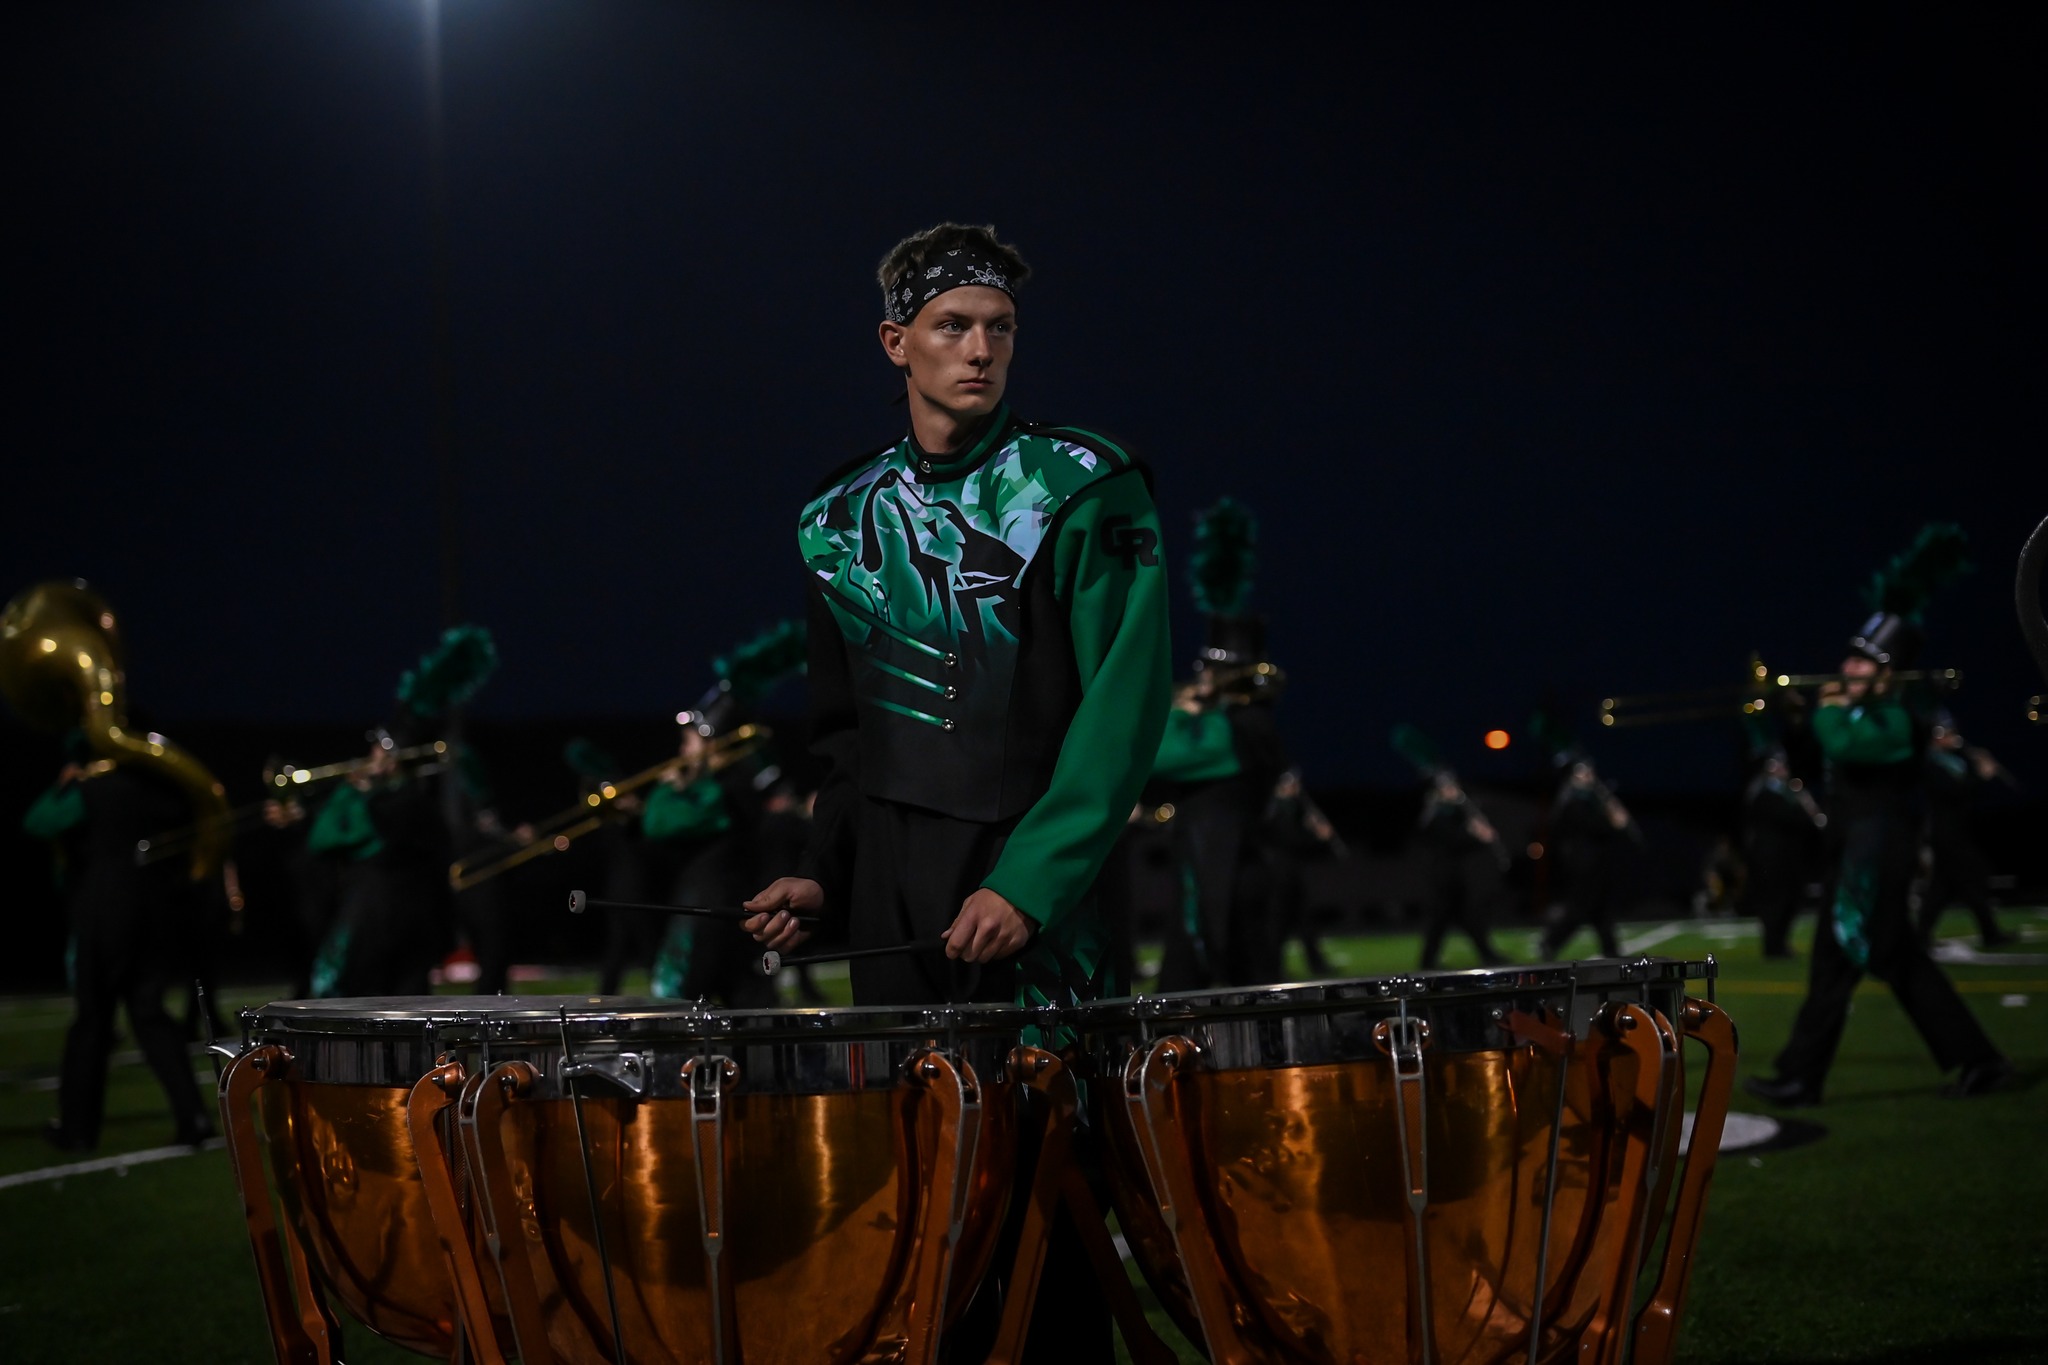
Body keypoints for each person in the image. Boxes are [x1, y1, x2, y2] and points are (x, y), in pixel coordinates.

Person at [744, 223, 1171, 1361]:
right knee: (911, 1175)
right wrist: (816, 870)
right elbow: (847, 738)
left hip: (1029, 885)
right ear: (897, 344)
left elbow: (1122, 712)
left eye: (998, 328)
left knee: (1047, 1182)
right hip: (887, 890)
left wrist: (1032, 881)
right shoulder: (833, 519)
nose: (978, 349)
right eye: (951, 327)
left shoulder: (1085, 483)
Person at [1746, 601, 2011, 1106]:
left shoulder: (1899, 719)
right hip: (1854, 854)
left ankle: (1980, 1060)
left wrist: (1826, 711)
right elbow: (1820, 754)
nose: (1848, 668)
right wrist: (1801, 717)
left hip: (1877, 856)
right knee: (1845, 961)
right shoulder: (1859, 710)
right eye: (1850, 658)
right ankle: (1802, 1074)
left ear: (1889, 673)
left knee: (1882, 959)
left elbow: (1848, 747)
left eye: (1863, 661)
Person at [26, 735, 215, 1151]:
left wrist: (66, 784)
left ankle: (77, 1130)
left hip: (103, 913)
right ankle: (195, 1117)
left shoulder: (91, 789)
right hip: (155, 912)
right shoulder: (157, 790)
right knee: (150, 1015)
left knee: (92, 1019)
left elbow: (38, 822)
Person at [1150, 497, 1290, 990]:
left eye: (1210, 668)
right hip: (1214, 862)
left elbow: (1160, 757)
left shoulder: (1242, 725)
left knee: (1234, 976)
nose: (1200, 676)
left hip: (1232, 871)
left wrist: (1178, 710)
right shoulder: (1234, 719)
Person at [1917, 712, 2016, 949]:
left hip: (1958, 831)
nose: (1953, 736)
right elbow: (1953, 793)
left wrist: (1979, 767)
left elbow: (1970, 794)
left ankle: (1920, 937)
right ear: (1936, 738)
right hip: (1946, 833)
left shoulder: (1955, 759)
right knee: (1971, 881)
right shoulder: (1931, 764)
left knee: (1941, 889)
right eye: (1947, 733)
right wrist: (1981, 775)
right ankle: (1990, 933)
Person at [1542, 758, 1636, 958]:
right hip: (1582, 863)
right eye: (1584, 774)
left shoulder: (1587, 798)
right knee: (1579, 909)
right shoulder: (1573, 800)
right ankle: (1550, 942)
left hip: (1594, 862)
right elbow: (1590, 827)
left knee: (1601, 909)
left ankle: (1611, 950)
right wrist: (1613, 821)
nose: (1589, 777)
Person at [1740, 748, 1826, 959]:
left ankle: (1780, 943)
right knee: (1774, 903)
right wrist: (1802, 808)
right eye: (1777, 765)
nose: (1783, 769)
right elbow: (1789, 819)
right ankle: (1773, 946)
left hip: (1790, 859)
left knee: (1792, 901)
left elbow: (1809, 824)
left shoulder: (1789, 792)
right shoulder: (1763, 793)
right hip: (1770, 860)